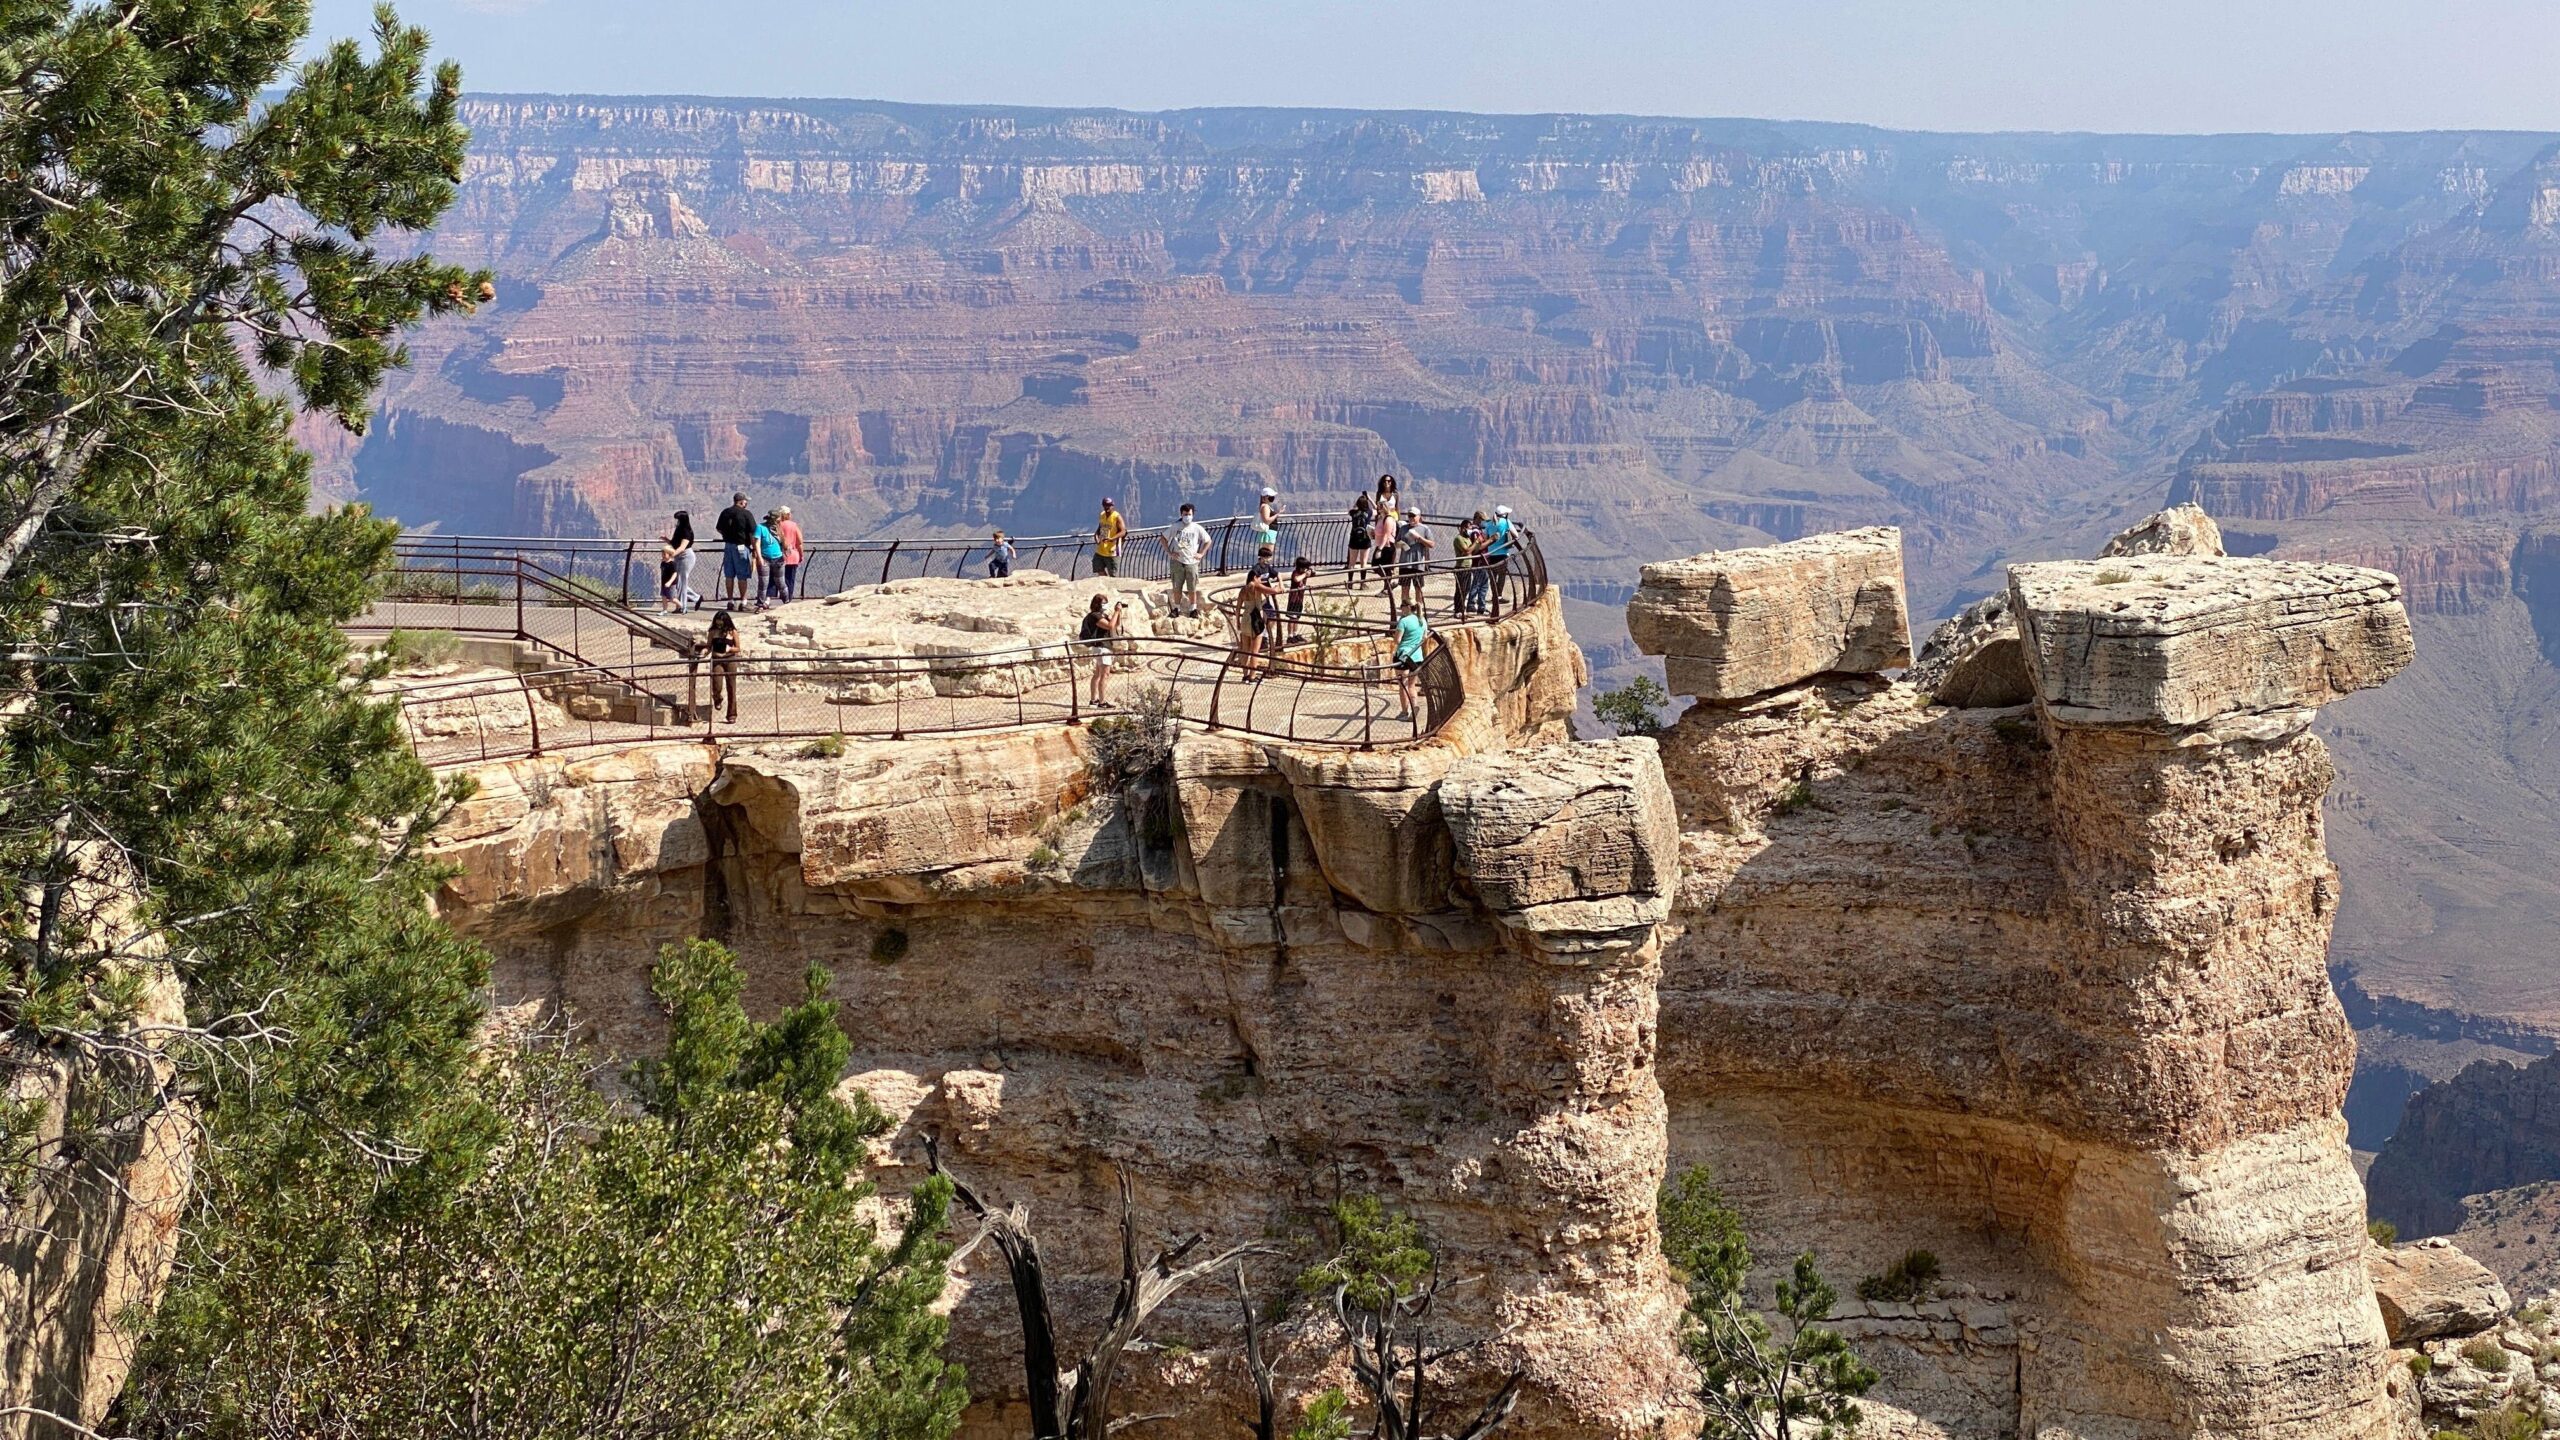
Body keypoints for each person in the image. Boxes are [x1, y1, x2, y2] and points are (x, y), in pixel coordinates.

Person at [1235, 546, 1279, 678]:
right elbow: (1272, 592)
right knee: (1255, 651)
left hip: (1245, 619)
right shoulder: (1258, 589)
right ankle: (1252, 676)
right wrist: (1277, 587)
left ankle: (1244, 675)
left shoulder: (1243, 591)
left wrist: (1237, 621)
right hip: (1256, 620)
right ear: (1255, 579)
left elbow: (1238, 608)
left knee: (1245, 650)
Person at [715, 491, 757, 608]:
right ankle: (743, 601)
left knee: (729, 575)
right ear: (741, 502)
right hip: (741, 547)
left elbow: (718, 528)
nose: (746, 503)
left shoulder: (726, 512)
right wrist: (754, 548)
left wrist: (727, 535)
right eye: (745, 501)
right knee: (742, 575)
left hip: (728, 546)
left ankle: (730, 601)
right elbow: (752, 533)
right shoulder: (746, 514)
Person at [1078, 592, 1121, 706]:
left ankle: (1093, 700)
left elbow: (1116, 625)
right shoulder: (1095, 616)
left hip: (1100, 648)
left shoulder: (1101, 615)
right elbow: (1110, 626)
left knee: (1097, 674)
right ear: (1098, 604)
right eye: (1104, 603)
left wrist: (1119, 613)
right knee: (1104, 675)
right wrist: (1116, 611)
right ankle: (1102, 702)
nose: (1106, 605)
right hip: (1102, 648)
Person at [1170, 502, 1211, 618]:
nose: (1187, 516)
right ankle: (1176, 608)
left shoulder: (1197, 528)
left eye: (1189, 514)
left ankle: (1193, 609)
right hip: (1177, 562)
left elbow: (1208, 541)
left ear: (1193, 514)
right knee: (1177, 587)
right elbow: (1163, 538)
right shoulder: (1175, 527)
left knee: (1192, 587)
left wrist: (1201, 553)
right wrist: (1169, 552)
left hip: (1192, 562)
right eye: (1185, 514)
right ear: (1181, 514)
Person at [705, 609, 745, 722]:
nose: (719, 624)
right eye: (717, 622)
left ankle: (732, 714)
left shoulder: (732, 632)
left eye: (721, 622)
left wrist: (729, 649)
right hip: (717, 659)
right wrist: (704, 651)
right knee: (717, 683)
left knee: (731, 687)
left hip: (730, 659)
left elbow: (738, 648)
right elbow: (709, 645)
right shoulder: (712, 632)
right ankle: (717, 698)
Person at [1392, 602, 1429, 722]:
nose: (1400, 609)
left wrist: (1396, 636)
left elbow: (1397, 640)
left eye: (1402, 606)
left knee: (1402, 684)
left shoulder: (1404, 621)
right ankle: (1414, 707)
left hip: (1403, 655)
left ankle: (1404, 712)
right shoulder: (1422, 620)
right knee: (1412, 685)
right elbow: (1424, 637)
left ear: (1408, 607)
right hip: (1417, 656)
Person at [658, 509, 697, 614]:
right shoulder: (679, 530)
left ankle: (683, 607)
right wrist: (666, 540)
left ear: (682, 520)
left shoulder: (687, 531)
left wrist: (671, 555)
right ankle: (690, 601)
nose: (677, 522)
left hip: (685, 557)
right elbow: (674, 543)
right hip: (678, 557)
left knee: (682, 582)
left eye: (678, 520)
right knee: (678, 583)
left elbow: (682, 547)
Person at [1397, 507, 1434, 613]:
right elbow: (1396, 543)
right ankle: (1405, 611)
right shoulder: (1403, 528)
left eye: (1413, 516)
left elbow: (1431, 544)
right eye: (1410, 516)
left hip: (1418, 564)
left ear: (1419, 517)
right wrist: (1401, 545)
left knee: (1418, 589)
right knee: (1405, 588)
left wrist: (1419, 538)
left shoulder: (1425, 529)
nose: (1411, 518)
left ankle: (1419, 611)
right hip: (1404, 563)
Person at [1371, 475, 1401, 595]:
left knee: (1383, 564)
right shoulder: (1379, 494)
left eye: (1389, 481)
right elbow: (1378, 510)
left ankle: (1387, 586)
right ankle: (1388, 585)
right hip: (1382, 519)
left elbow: (1398, 508)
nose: (1387, 483)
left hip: (1392, 520)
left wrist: (1399, 522)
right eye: (1384, 481)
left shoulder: (1395, 494)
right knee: (1383, 566)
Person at [1485, 503, 1517, 612]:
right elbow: (1516, 535)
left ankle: (1494, 596)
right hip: (1503, 554)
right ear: (1504, 515)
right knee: (1502, 576)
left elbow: (1485, 537)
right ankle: (1498, 596)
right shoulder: (1506, 522)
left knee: (1493, 576)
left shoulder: (1489, 524)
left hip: (1491, 554)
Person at [755, 511, 785, 609]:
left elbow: (783, 542)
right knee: (763, 582)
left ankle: (786, 601)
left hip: (778, 558)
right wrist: (759, 557)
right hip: (765, 558)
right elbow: (757, 543)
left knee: (780, 582)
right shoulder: (760, 528)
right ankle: (760, 604)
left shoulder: (778, 528)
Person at [775, 506, 805, 603]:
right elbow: (799, 542)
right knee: (790, 579)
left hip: (779, 555)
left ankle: (778, 596)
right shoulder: (794, 525)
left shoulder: (777, 525)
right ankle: (788, 599)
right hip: (792, 555)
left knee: (779, 578)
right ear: (788, 515)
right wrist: (801, 554)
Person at [1091, 497, 1126, 577]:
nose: (1107, 507)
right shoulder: (1102, 515)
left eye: (1109, 505)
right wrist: (1096, 536)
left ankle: (1112, 588)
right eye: (1105, 505)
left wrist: (1112, 539)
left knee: (1113, 574)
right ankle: (1106, 585)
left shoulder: (1117, 517)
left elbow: (1123, 531)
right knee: (1097, 567)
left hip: (1112, 551)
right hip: (1101, 549)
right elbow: (1100, 528)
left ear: (1112, 506)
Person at [1286, 555, 1313, 648]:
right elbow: (1296, 579)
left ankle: (1295, 633)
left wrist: (1310, 572)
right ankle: (1290, 636)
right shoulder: (1296, 573)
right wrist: (1305, 574)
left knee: (1297, 617)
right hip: (1293, 599)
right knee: (1292, 617)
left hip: (1300, 599)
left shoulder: (1303, 573)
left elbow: (1314, 573)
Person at [1346, 492, 1374, 575]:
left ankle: (1350, 582)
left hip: (1354, 538)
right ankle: (1362, 584)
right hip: (1365, 539)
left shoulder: (1353, 513)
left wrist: (1356, 505)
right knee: (1363, 563)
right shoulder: (1369, 512)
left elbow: (1350, 511)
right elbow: (1377, 508)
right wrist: (1369, 499)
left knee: (1351, 563)